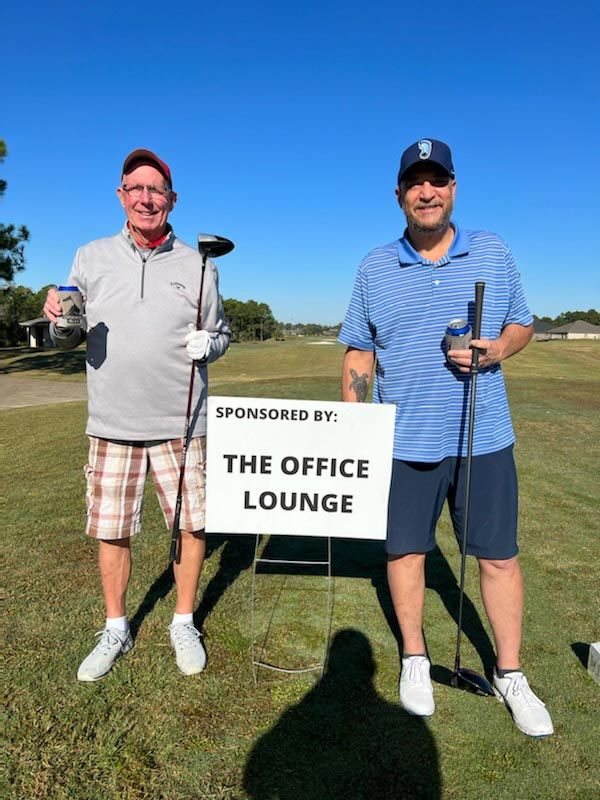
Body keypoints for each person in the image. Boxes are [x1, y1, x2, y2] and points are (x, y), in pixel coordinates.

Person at [339, 139, 553, 737]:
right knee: (405, 551)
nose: (426, 192)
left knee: (499, 557)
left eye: (437, 181)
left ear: (453, 189)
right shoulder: (374, 267)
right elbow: (360, 348)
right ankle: (414, 658)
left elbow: (523, 323)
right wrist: (356, 424)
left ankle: (510, 673)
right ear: (400, 195)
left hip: (483, 436)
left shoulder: (492, 251)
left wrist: (500, 349)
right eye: (415, 183)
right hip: (405, 441)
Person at [44, 149, 231, 681]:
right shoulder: (91, 256)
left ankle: (183, 620)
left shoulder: (199, 265)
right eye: (137, 188)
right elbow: (68, 331)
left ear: (172, 200)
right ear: (121, 196)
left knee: (191, 526)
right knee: (112, 530)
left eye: (157, 190)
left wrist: (209, 345)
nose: (147, 198)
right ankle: (116, 626)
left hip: (182, 422)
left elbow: (221, 335)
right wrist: (57, 316)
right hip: (112, 423)